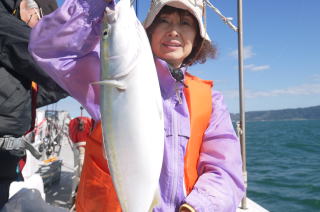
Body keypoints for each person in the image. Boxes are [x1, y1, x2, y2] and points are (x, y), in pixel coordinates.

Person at [29, 0, 245, 211]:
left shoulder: (211, 101)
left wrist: (197, 207)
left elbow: (226, 169)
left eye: (185, 23)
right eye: (164, 20)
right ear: (147, 31)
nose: (173, 31)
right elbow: (47, 46)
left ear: (197, 39)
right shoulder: (105, 77)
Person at [0, 0, 68, 208]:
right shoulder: (8, 27)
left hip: (9, 163)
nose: (45, 34)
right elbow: (38, 53)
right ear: (29, 7)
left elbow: (37, 93)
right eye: (44, 25)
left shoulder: (16, 68)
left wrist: (72, 84)